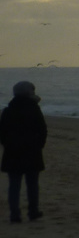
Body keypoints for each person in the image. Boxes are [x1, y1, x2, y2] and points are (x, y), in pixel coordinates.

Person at [1, 81, 47, 223]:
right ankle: (33, 212)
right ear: (28, 93)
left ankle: (15, 215)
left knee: (14, 185)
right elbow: (43, 130)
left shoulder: (8, 111)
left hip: (12, 152)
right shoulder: (34, 109)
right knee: (32, 184)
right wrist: (39, 145)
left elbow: (2, 133)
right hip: (32, 151)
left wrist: (7, 145)